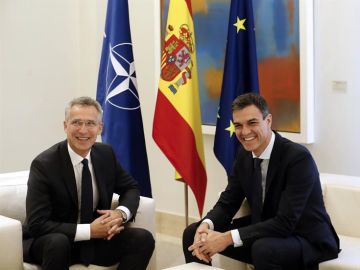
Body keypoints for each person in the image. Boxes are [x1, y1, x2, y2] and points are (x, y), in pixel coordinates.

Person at [183, 93, 339, 269]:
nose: (245, 132)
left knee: (263, 249)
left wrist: (226, 238)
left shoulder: (298, 158)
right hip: (265, 230)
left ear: (268, 121)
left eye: (252, 123)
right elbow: (228, 202)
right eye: (238, 126)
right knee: (193, 233)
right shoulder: (243, 155)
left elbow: (285, 222)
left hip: (304, 237)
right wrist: (206, 224)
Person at [23, 96, 155, 270]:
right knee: (58, 243)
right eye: (76, 122)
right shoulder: (44, 164)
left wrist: (120, 214)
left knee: (142, 238)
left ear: (100, 128)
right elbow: (37, 224)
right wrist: (90, 230)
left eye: (90, 123)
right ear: (65, 126)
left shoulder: (105, 154)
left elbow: (130, 187)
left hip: (94, 242)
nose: (83, 130)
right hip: (51, 241)